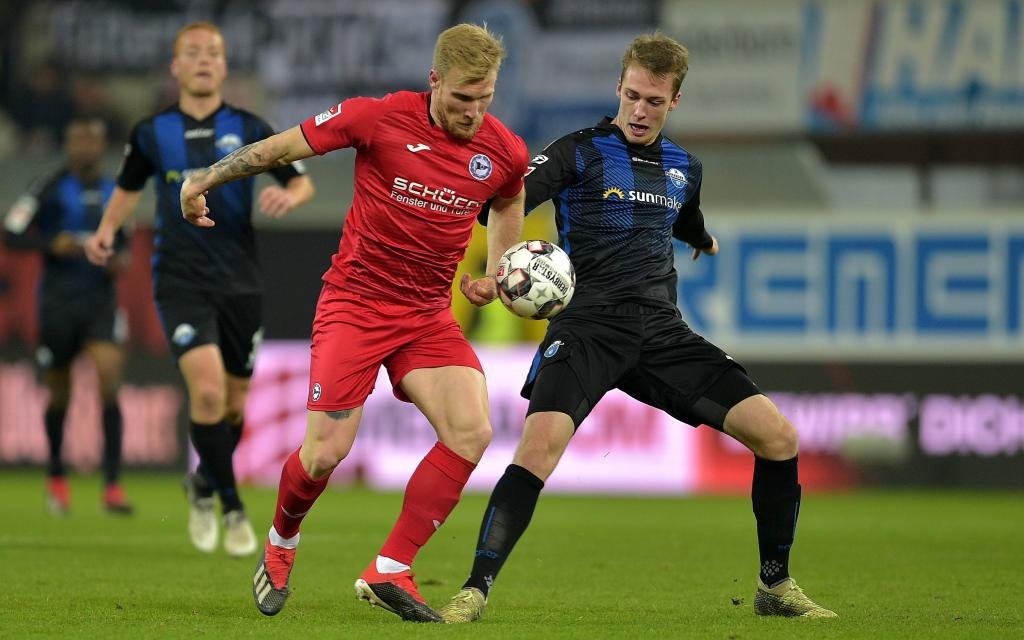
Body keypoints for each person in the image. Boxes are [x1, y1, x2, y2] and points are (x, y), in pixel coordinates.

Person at [438, 33, 838, 622]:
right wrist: (500, 269)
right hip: (586, 329)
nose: (641, 110)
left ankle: (774, 587)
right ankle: (473, 591)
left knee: (779, 438)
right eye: (632, 96)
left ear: (674, 100)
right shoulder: (578, 151)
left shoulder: (685, 167)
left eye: (654, 100)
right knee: (537, 449)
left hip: (661, 333)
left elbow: (683, 216)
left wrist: (700, 238)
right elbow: (509, 196)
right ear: (618, 89)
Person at [179, 23, 528, 622]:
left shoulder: (504, 150)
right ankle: (282, 540)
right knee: (323, 455)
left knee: (472, 430)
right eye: (461, 99)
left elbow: (509, 197)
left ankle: (390, 568)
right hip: (356, 305)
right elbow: (279, 148)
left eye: (485, 99)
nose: (473, 112)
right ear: (434, 81)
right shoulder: (378, 118)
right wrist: (205, 177)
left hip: (425, 315)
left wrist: (493, 270)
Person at [84, 22, 315, 556]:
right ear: (176, 65)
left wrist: (293, 197)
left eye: (214, 52)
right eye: (193, 52)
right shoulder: (150, 132)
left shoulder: (250, 125)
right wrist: (105, 231)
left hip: (240, 281)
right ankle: (231, 507)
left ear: (225, 65)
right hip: (179, 279)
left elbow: (299, 178)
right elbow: (126, 190)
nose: (204, 60)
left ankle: (204, 485)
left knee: (233, 407)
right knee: (207, 392)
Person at [3, 117, 133, 516]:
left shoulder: (116, 189)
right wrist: (49, 243)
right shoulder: (49, 186)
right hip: (58, 303)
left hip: (100, 303)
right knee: (59, 392)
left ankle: (111, 485)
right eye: (80, 138)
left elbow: (124, 245)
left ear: (101, 144)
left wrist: (119, 261)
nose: (87, 146)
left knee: (110, 380)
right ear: (69, 143)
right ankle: (56, 475)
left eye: (93, 139)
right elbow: (12, 231)